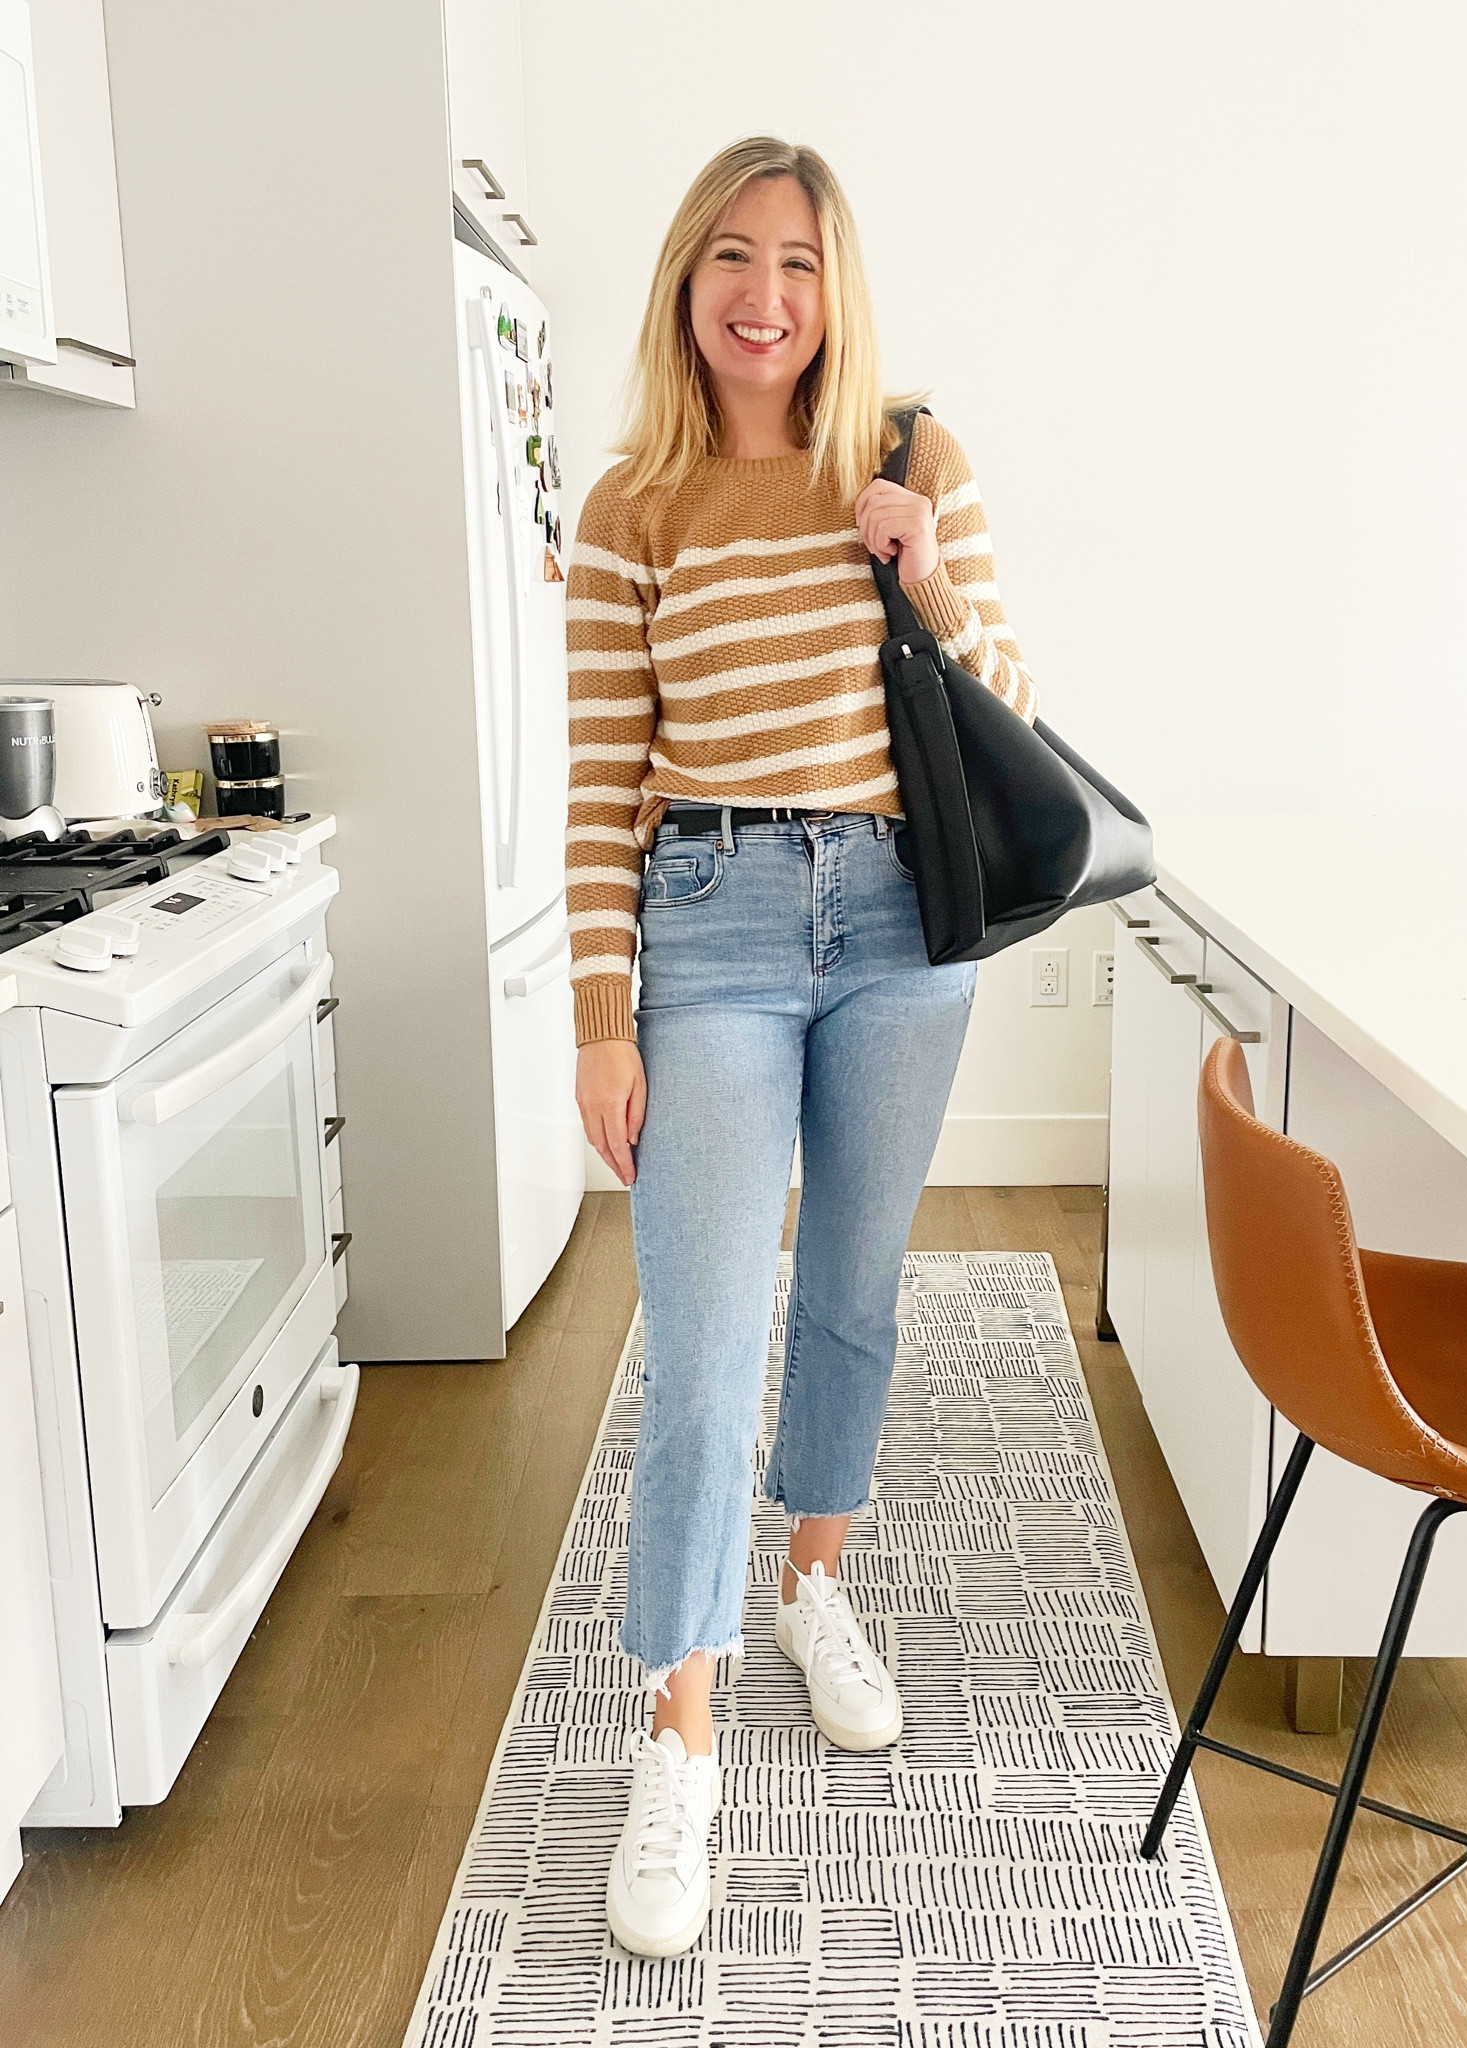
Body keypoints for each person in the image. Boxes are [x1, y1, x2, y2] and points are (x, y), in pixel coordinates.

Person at [564, 135, 1036, 1958]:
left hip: (908, 930)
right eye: (731, 257)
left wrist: (921, 575)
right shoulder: (631, 510)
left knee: (849, 1287)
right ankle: (675, 1735)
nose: (766, 295)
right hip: (715, 929)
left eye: (801, 262)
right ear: (685, 281)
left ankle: (812, 1579)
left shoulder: (915, 459)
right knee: (697, 1343)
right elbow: (608, 774)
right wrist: (604, 1019)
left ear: (840, 290)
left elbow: (1012, 715)